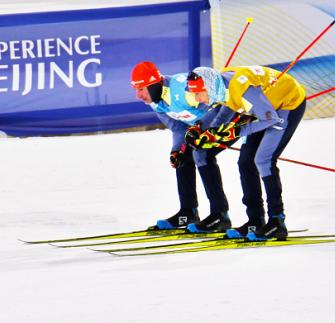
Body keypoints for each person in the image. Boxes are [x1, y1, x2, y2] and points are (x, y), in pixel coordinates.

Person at [184, 65, 306, 241]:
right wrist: (208, 131)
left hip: (287, 104)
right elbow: (228, 109)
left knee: (263, 160)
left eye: (199, 93)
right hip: (264, 107)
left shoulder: (242, 87)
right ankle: (255, 220)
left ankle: (277, 222)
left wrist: (235, 131)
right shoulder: (222, 84)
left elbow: (269, 118)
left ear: (210, 88)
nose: (197, 99)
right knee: (246, 162)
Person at [131, 61, 237, 232]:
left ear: (154, 85)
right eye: (136, 89)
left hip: (226, 120)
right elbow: (178, 127)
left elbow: (219, 105)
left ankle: (220, 215)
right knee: (182, 156)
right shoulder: (156, 102)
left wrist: (201, 128)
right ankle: (188, 212)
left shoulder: (183, 88)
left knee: (202, 154)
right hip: (200, 129)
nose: (138, 95)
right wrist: (176, 150)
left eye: (141, 89)